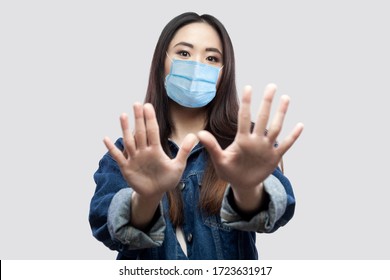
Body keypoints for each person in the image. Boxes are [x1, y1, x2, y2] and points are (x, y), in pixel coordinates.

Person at [88, 12, 304, 260]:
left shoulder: (246, 146)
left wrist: (246, 189)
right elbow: (108, 228)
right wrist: (146, 198)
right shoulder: (128, 154)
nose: (197, 65)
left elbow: (275, 212)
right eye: (183, 53)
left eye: (211, 58)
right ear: (162, 62)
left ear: (224, 73)